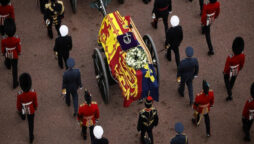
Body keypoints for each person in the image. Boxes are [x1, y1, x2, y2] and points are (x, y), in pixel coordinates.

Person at [16, 73, 38, 144]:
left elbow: (18, 105)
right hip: (31, 109)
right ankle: (31, 137)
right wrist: (35, 107)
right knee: (31, 124)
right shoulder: (33, 93)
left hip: (24, 107)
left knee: (23, 113)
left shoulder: (19, 94)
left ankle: (23, 117)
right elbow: (35, 102)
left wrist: (19, 109)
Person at [223, 37, 245, 101]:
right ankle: (231, 86)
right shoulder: (242, 55)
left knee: (226, 79)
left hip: (229, 70)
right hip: (236, 69)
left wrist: (225, 72)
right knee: (233, 79)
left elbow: (227, 67)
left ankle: (229, 92)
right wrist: (239, 69)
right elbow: (242, 64)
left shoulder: (230, 57)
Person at [1, 18, 20, 88]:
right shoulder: (16, 39)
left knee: (8, 60)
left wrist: (3, 52)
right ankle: (15, 82)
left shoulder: (4, 40)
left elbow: (3, 48)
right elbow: (18, 47)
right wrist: (18, 52)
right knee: (14, 69)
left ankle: (8, 65)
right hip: (14, 54)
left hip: (7, 52)